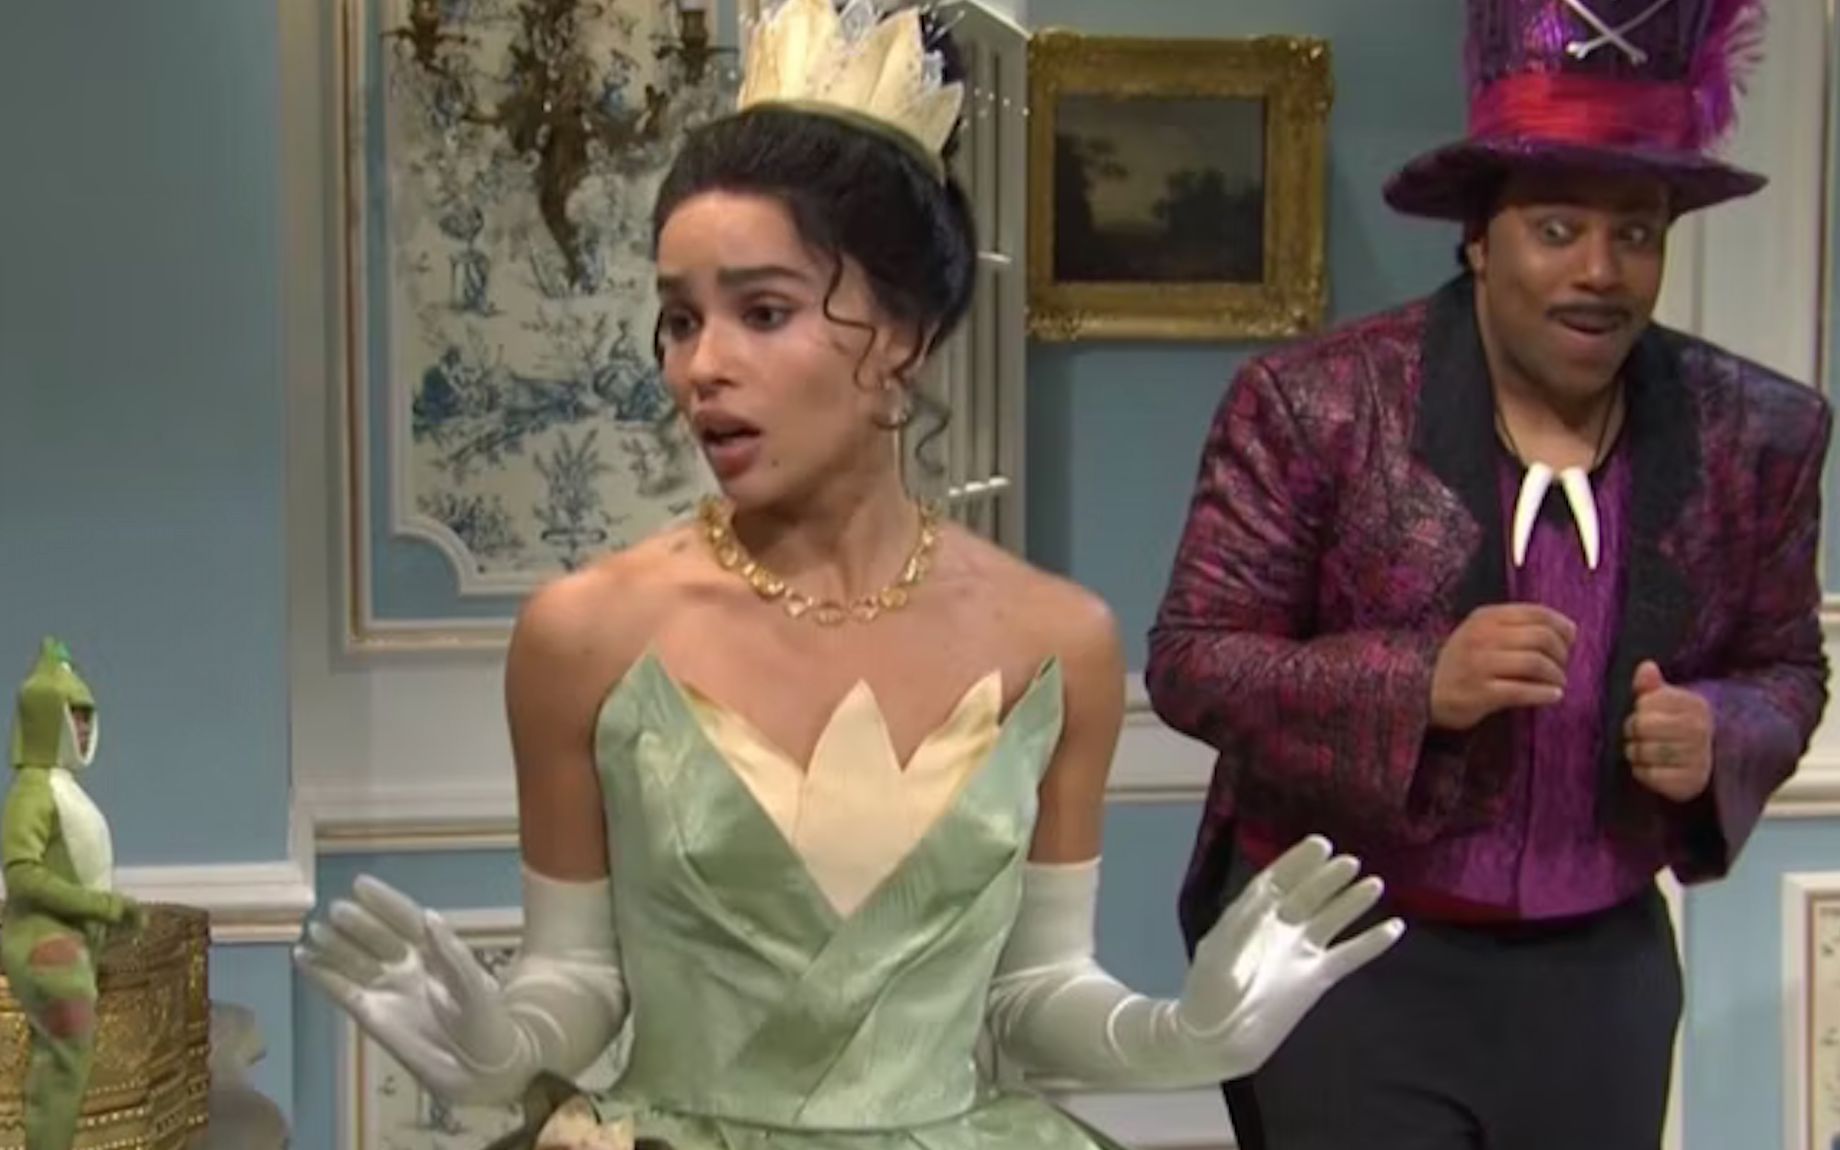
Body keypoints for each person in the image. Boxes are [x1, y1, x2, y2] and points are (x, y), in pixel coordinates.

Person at [292, 1, 1402, 1146]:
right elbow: (577, 976)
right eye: (679, 318)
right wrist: (500, 1046)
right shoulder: (583, 636)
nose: (701, 366)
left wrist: (1183, 1036)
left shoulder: (1058, 640)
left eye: (762, 311)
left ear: (904, 336)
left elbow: (1035, 994)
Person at [1145, 2, 1833, 1148]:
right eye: (1556, 229)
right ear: (1478, 238)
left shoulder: (1755, 432)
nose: (1600, 271)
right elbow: (1192, 661)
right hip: (1343, 954)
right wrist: (1417, 683)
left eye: (1636, 233)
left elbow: (1785, 667)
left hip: (1597, 974)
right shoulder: (1314, 406)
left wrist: (1719, 729)